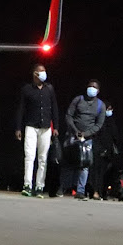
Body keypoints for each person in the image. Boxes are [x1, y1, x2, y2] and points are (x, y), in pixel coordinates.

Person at [14, 63, 59, 199]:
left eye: (44, 71)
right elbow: (21, 109)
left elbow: (54, 108)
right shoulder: (27, 89)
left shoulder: (49, 89)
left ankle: (40, 186)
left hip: (46, 128)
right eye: (40, 71)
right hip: (31, 127)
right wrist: (18, 127)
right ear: (35, 74)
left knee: (43, 158)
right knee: (29, 156)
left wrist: (56, 127)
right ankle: (27, 185)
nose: (43, 74)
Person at [58, 79, 105, 200]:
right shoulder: (78, 99)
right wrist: (75, 131)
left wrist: (86, 134)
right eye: (90, 86)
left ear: (98, 91)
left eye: (94, 87)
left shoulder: (101, 105)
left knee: (84, 164)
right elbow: (69, 115)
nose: (92, 89)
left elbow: (99, 124)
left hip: (87, 139)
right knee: (68, 162)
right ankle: (63, 187)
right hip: (72, 136)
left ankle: (80, 190)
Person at [88, 101, 118, 200]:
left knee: (105, 173)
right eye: (108, 109)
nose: (110, 111)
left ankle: (102, 192)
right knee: (97, 173)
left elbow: (115, 135)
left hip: (107, 152)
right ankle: (96, 192)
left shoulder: (110, 121)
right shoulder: (99, 121)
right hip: (98, 150)